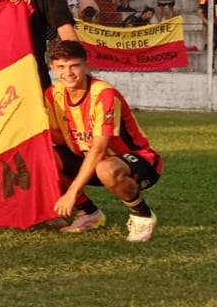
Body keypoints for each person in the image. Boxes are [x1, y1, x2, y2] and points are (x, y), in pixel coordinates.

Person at [44, 39, 161, 241]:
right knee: (44, 159)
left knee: (106, 168)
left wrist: (72, 192)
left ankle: (142, 216)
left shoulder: (104, 94)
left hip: (135, 160)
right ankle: (89, 213)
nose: (68, 72)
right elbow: (60, 139)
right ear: (52, 68)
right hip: (90, 160)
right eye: (61, 67)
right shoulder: (52, 94)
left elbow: (98, 149)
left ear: (86, 65)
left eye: (74, 65)